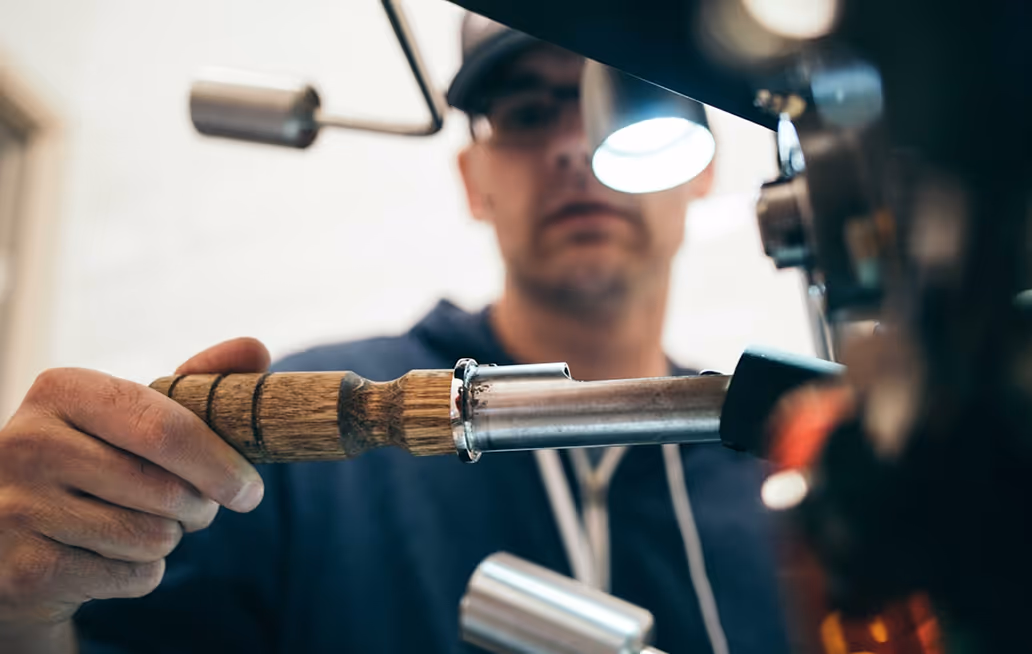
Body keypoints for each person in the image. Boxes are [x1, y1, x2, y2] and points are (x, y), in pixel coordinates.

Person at [0, 14, 789, 654]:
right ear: (473, 181)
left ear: (704, 165)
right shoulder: (295, 454)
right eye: (525, 112)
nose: (572, 147)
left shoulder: (784, 479)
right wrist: (21, 610)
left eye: (624, 104)